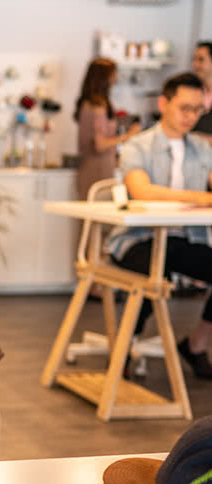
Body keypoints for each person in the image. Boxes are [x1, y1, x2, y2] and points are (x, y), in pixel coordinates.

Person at [107, 73, 212, 379]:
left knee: (171, 261)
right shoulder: (137, 147)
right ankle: (123, 350)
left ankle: (195, 344)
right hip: (137, 240)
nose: (191, 116)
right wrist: (202, 197)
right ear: (163, 103)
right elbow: (142, 191)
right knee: (153, 272)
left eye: (197, 110)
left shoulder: (202, 149)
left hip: (183, 240)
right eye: (184, 108)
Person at [75, 57, 140, 200]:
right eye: (113, 74)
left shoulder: (90, 103)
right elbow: (100, 145)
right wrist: (129, 135)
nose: (115, 78)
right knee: (98, 216)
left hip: (97, 168)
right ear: (104, 77)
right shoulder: (96, 106)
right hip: (98, 170)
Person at [189, 42, 212, 140]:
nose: (195, 64)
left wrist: (199, 139)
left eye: (201, 59)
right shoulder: (192, 92)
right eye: (194, 59)